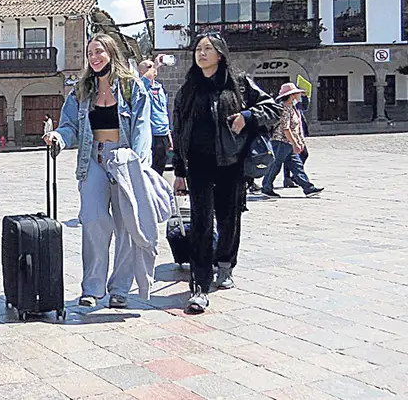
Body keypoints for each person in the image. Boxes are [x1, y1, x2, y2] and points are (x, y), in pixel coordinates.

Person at [171, 33, 280, 314]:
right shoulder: (187, 90)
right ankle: (199, 283)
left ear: (220, 54)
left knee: (229, 219)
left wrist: (248, 116)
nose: (202, 53)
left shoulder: (240, 84)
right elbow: (178, 130)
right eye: (198, 49)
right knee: (201, 222)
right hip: (198, 165)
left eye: (208, 48)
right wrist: (179, 170)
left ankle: (225, 265)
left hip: (231, 164)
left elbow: (273, 107)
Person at [45, 33, 152, 309]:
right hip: (94, 159)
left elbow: (141, 126)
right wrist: (58, 137)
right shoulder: (82, 90)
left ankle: (119, 289)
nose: (94, 58)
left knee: (127, 226)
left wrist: (138, 162)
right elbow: (70, 126)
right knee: (92, 221)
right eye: (90, 53)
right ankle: (92, 287)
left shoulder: (131, 87)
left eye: (99, 52)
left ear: (111, 54)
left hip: (124, 161)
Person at [261, 84, 324, 198]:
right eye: (296, 93)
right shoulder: (284, 108)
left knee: (297, 166)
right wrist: (295, 142)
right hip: (281, 142)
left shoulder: (292, 107)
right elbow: (286, 128)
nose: (298, 95)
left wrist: (298, 141)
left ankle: (308, 188)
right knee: (275, 165)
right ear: (291, 96)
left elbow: (296, 127)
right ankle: (266, 187)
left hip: (289, 143)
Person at [138, 59, 172, 174]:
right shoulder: (142, 88)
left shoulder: (161, 88)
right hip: (150, 135)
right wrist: (155, 66)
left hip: (163, 135)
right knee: (150, 172)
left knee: (160, 170)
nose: (153, 69)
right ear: (141, 71)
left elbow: (164, 112)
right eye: (149, 67)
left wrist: (169, 136)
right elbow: (142, 83)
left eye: (153, 66)